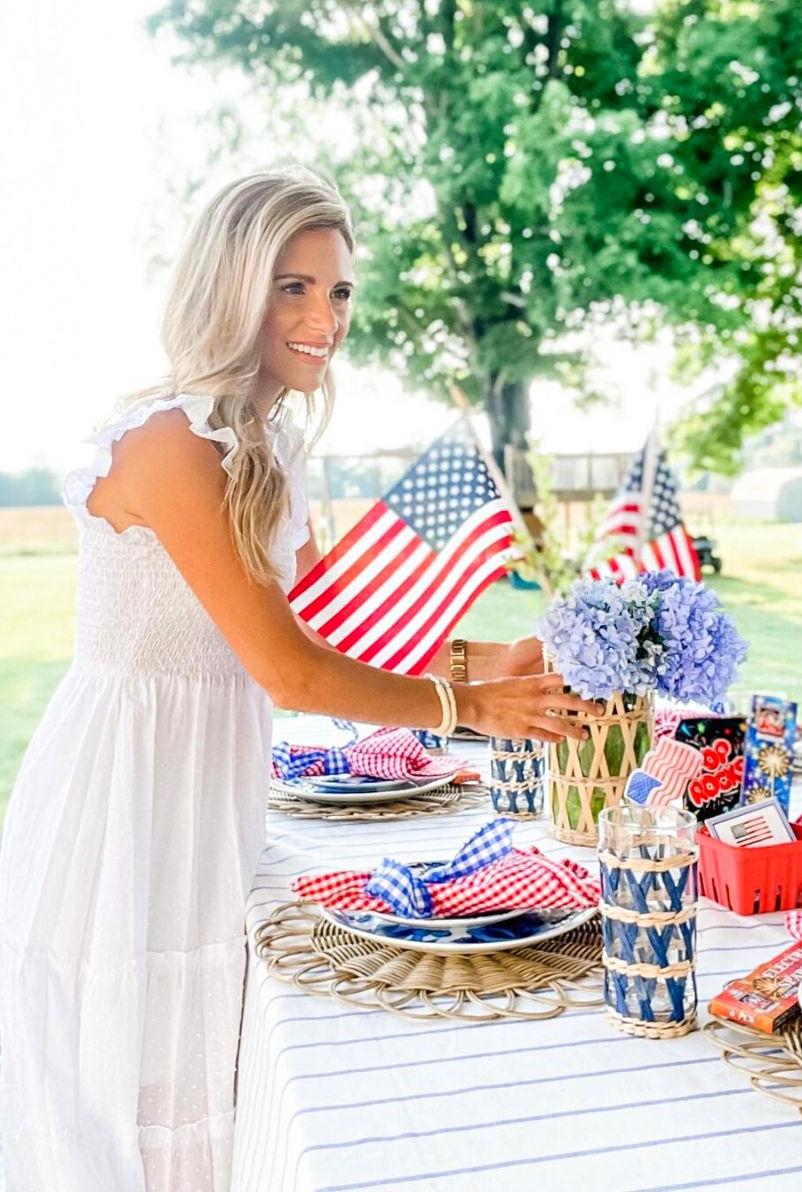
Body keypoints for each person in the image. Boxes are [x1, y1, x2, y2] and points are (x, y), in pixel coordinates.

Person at [0, 169, 592, 1192]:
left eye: (340, 291)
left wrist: (497, 662)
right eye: (293, 287)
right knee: (111, 1106)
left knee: (195, 1085)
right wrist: (471, 710)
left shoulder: (267, 445)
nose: (326, 317)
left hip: (202, 795)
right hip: (124, 799)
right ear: (233, 287)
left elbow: (332, 630)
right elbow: (287, 670)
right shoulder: (174, 444)